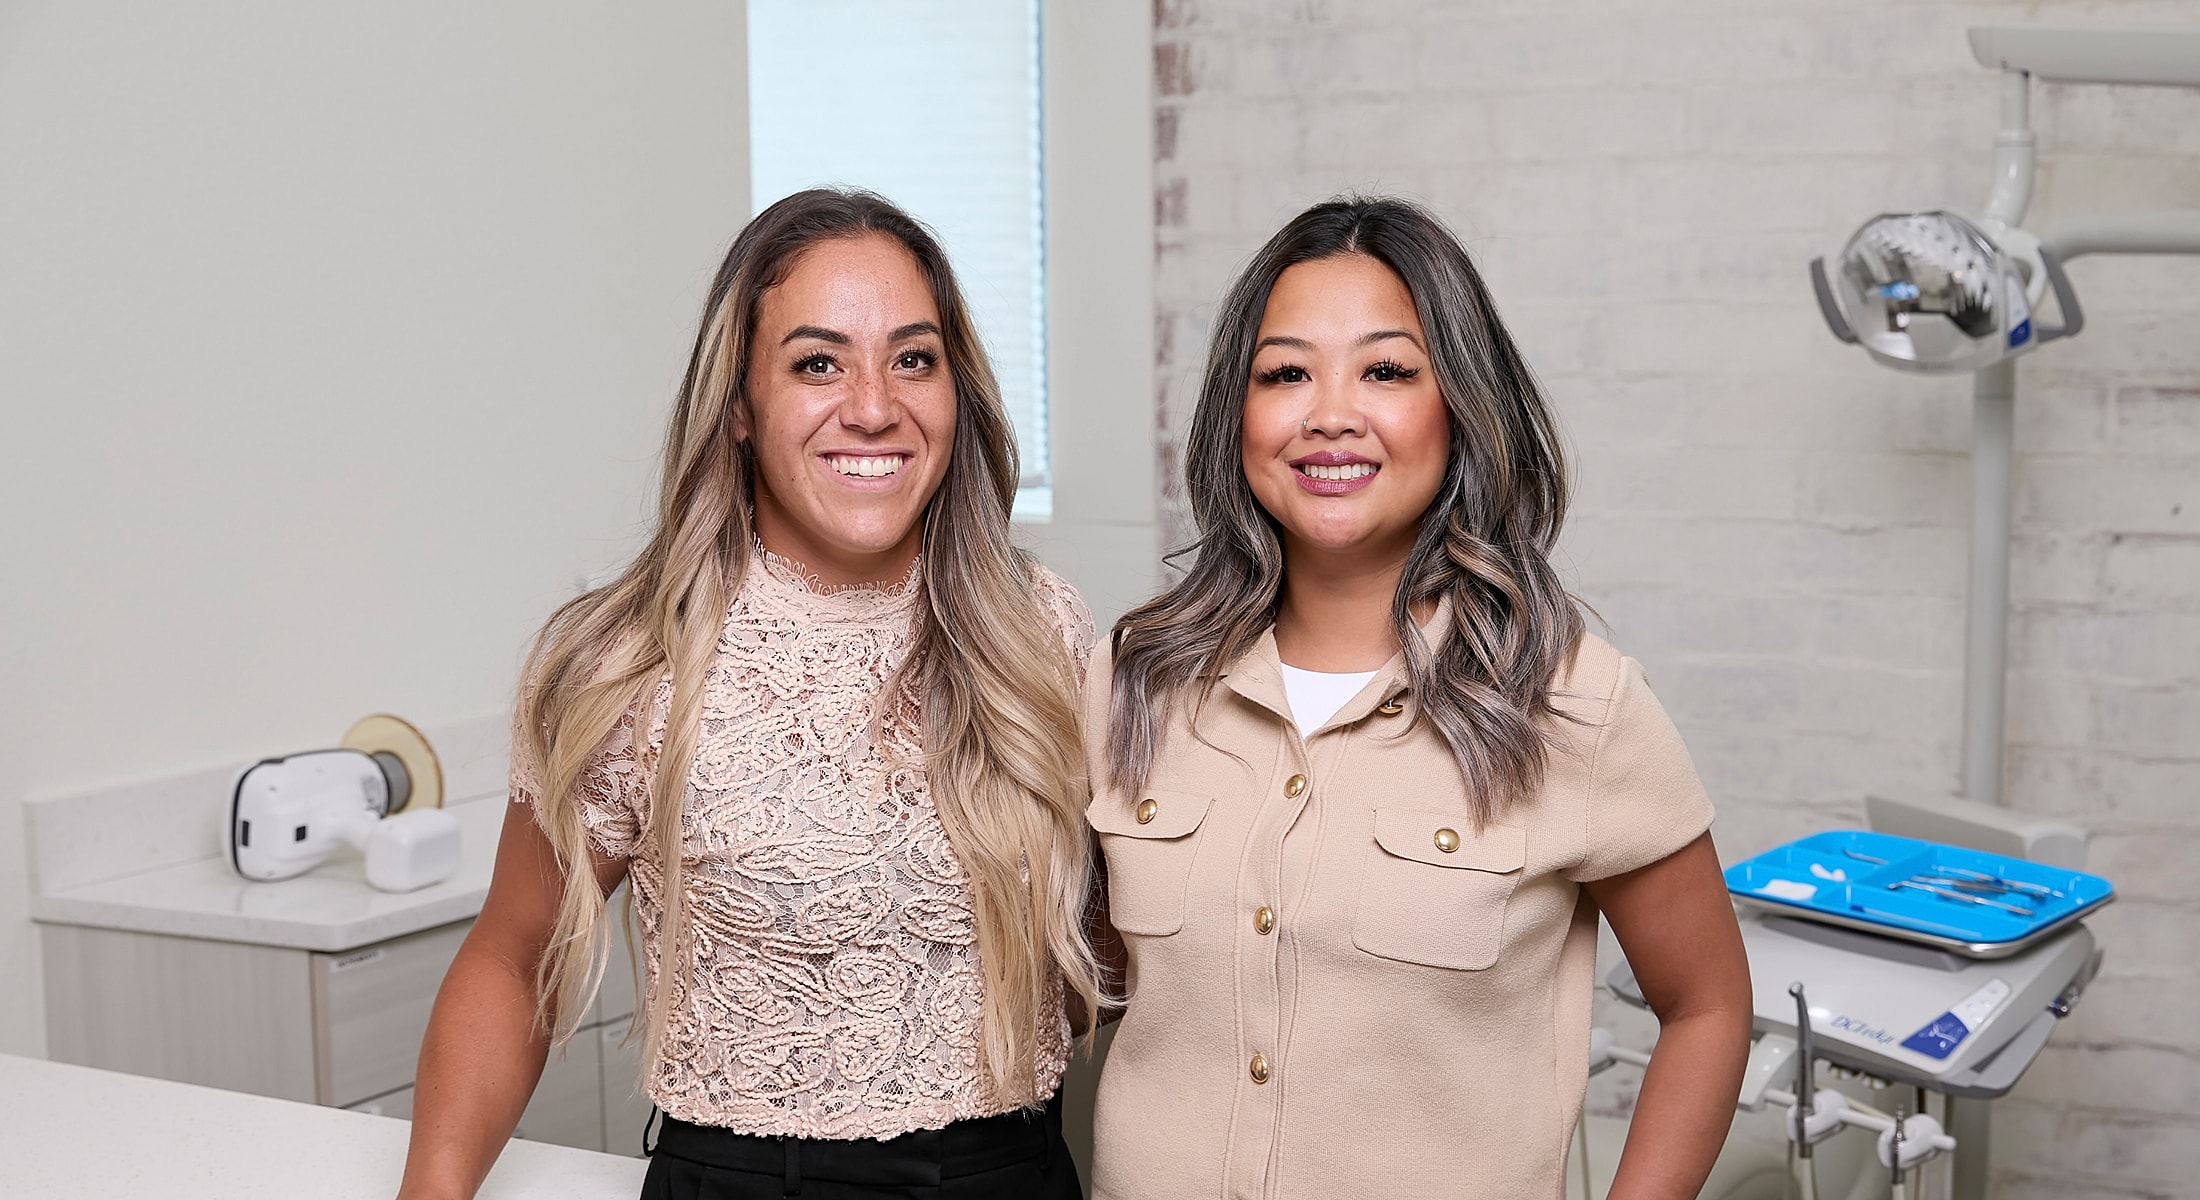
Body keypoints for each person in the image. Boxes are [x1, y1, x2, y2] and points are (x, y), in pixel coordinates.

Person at [396, 188, 1100, 1200]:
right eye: (818, 361)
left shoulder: (1043, 630)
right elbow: (513, 959)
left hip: (1009, 1175)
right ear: (738, 405)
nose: (873, 404)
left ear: (958, 391)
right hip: (738, 1183)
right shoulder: (630, 660)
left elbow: (1121, 946)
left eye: (914, 358)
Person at [1086, 196, 1752, 1199]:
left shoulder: (1574, 703)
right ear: (1239, 414)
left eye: (1386, 370)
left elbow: (1706, 1006)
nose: (1330, 414)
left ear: (1459, 406)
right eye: (1285, 374)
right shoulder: (1131, 677)